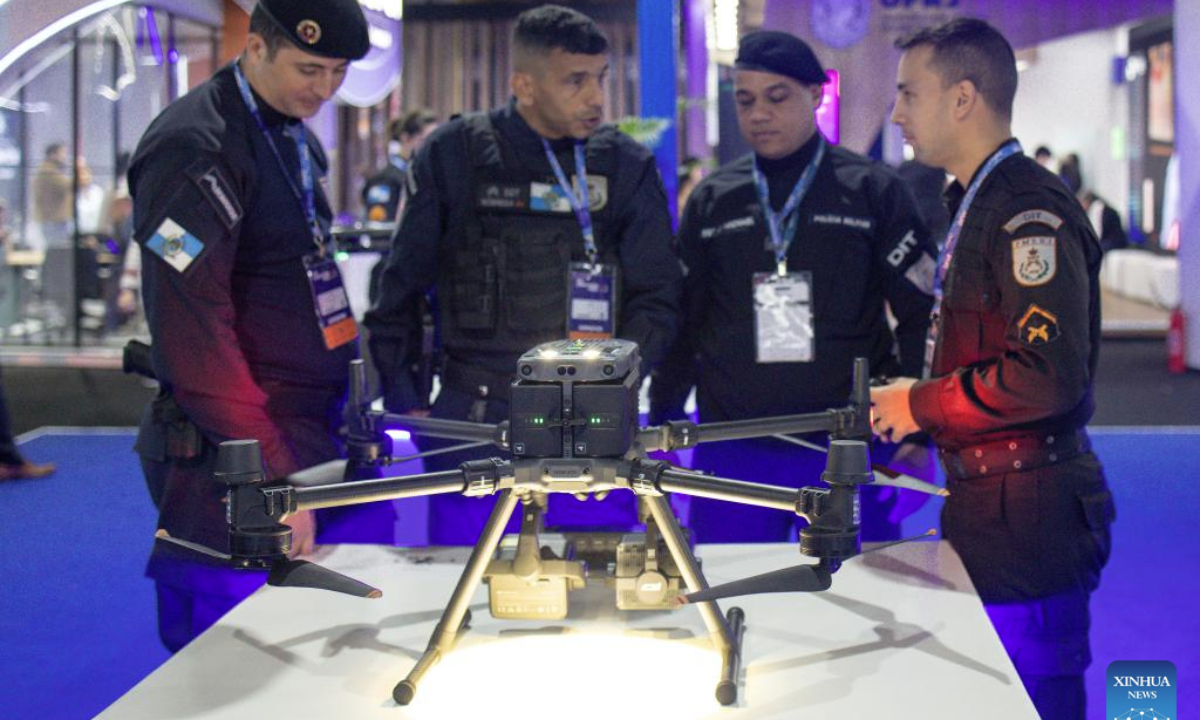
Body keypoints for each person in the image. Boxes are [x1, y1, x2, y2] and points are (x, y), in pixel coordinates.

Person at [128, 0, 390, 651]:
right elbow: (196, 335)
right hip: (238, 456)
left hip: (312, 437)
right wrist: (273, 480)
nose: (324, 88)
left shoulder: (287, 132)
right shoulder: (195, 145)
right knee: (229, 665)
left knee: (335, 658)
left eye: (336, 72)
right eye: (309, 67)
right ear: (256, 46)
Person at [365, 4, 681, 544]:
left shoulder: (625, 164)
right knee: (464, 591)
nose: (596, 98)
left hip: (592, 424)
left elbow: (658, 296)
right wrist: (406, 399)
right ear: (524, 85)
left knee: (599, 595)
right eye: (575, 81)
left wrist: (618, 389)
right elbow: (401, 285)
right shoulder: (456, 153)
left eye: (600, 79)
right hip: (474, 416)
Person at [875, 19, 1114, 720]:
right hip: (994, 501)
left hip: (1030, 518)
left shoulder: (1025, 210)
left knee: (1036, 697)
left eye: (908, 94)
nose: (896, 114)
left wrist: (921, 405)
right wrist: (925, 429)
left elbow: (1043, 375)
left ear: (962, 99)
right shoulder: (976, 200)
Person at [647, 30, 937, 543]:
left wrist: (921, 430)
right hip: (732, 444)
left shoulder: (872, 190)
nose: (759, 114)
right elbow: (686, 320)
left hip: (846, 445)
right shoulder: (715, 199)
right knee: (727, 602)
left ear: (816, 94)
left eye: (776, 98)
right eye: (745, 100)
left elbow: (920, 315)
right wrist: (666, 418)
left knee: (859, 605)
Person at [362, 108, 439, 224]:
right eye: (425, 140)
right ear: (406, 138)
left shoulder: (427, 175)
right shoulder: (385, 180)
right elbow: (379, 224)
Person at [1078, 188, 1127, 254]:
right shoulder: (1102, 208)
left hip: (1113, 243)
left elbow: (1097, 233)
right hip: (1115, 241)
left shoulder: (1097, 210)